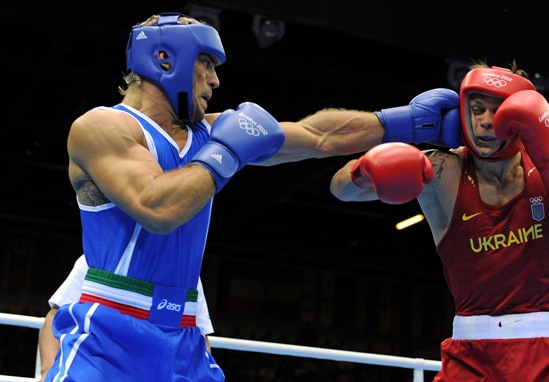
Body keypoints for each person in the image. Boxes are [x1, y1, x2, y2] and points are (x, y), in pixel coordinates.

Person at [46, 11, 461, 382]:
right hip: (110, 337)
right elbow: (158, 207)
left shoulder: (208, 133)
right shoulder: (101, 127)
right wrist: (225, 153)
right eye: (206, 64)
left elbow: (319, 136)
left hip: (185, 339)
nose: (215, 80)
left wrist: (405, 123)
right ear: (165, 61)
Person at [329, 61, 549, 381]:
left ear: (518, 117)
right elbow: (340, 189)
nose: (485, 122)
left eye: (497, 111)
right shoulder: (443, 170)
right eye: (477, 108)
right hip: (473, 354)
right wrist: (366, 171)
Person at [38, 255, 214, 381]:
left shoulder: (188, 278)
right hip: (99, 367)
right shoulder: (96, 259)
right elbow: (56, 315)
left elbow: (200, 337)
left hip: (158, 372)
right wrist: (47, 371)